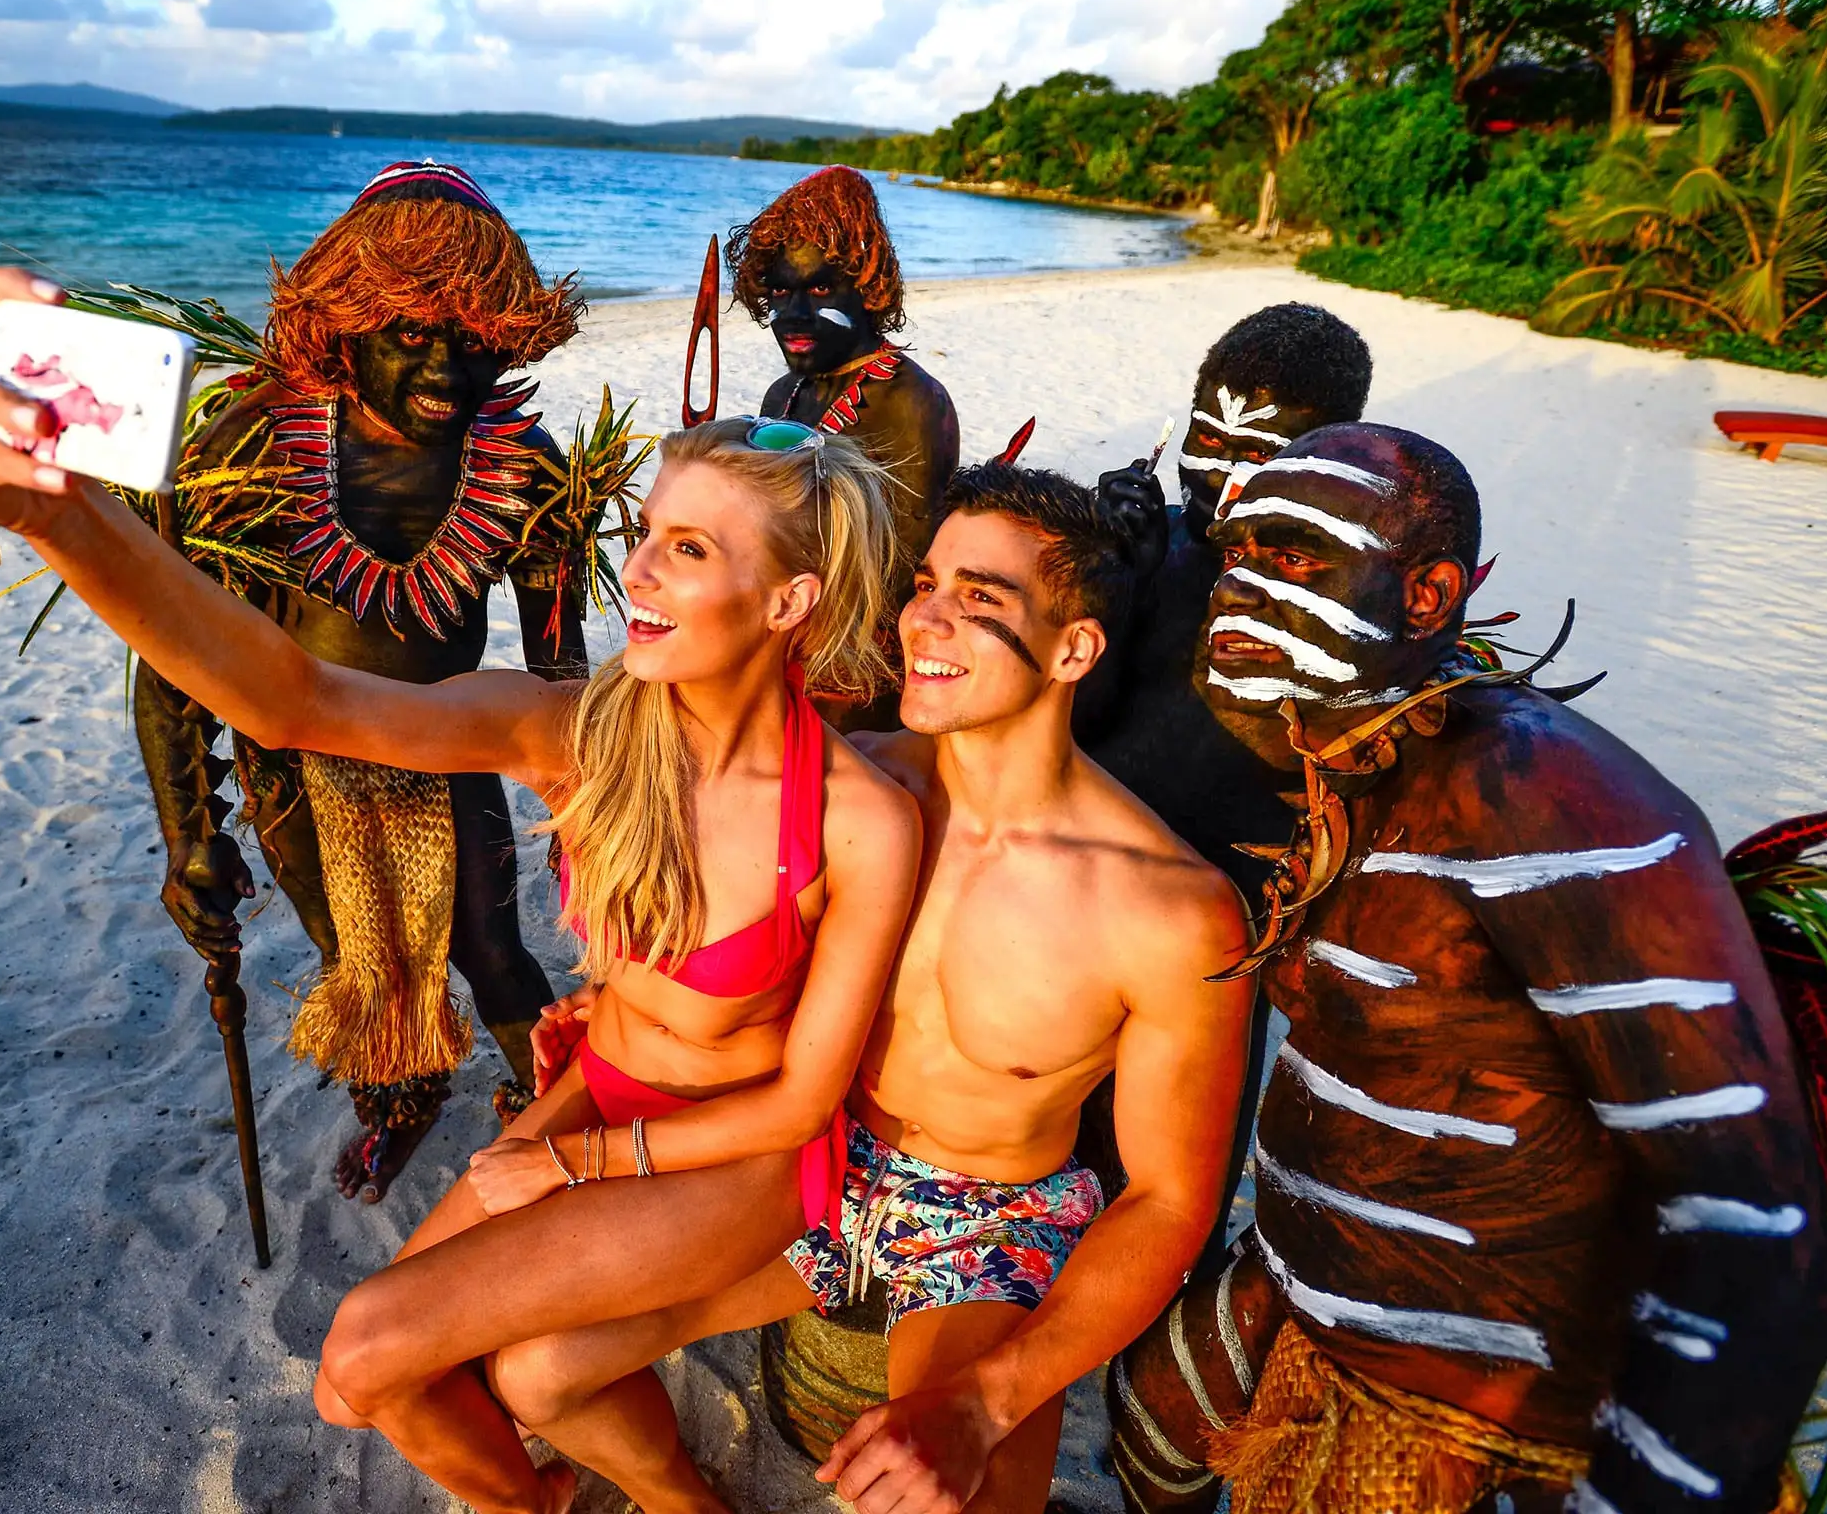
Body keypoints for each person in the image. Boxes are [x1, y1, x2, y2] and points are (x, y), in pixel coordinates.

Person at [0, 271, 925, 1514]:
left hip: (740, 1155)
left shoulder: (856, 821)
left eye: (691, 550)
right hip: (597, 1096)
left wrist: (575, 1160)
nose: (640, 573)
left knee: (371, 1352)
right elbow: (299, 698)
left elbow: (803, 1099)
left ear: (789, 602)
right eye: (647, 532)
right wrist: (57, 515)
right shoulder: (584, 734)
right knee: (375, 1386)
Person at [482, 460, 1255, 1514]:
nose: (926, 620)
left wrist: (987, 1402)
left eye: (980, 600)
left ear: (1073, 647)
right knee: (537, 1368)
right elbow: (732, 931)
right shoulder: (859, 785)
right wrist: (620, 1002)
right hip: (804, 1161)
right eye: (926, 584)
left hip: (988, 1221)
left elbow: (1170, 1202)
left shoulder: (1167, 909)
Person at [1106, 425, 1827, 1514]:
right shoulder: (1349, 752)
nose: (1240, 587)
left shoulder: (1550, 803)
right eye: (1237, 551)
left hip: (1471, 1395)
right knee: (1152, 1421)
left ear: (1427, 594)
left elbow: (1752, 1218)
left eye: (1293, 555)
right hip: (1300, 1296)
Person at [134, 159, 588, 1202]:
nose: (445, 365)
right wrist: (188, 836)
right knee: (357, 961)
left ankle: (560, 1133)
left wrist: (583, 816)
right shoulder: (251, 443)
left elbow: (561, 672)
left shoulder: (528, 466)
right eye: (412, 331)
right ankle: (403, 1099)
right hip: (296, 770)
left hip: (453, 745)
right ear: (348, 320)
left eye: (472, 335)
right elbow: (171, 663)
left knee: (496, 954)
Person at [1077, 302, 1373, 897]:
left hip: (1227, 891)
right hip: (1083, 852)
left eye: (1258, 456)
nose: (1218, 475)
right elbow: (1075, 716)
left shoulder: (1337, 594)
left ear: (1327, 455)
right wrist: (1109, 577)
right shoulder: (1149, 541)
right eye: (1206, 439)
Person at [730, 164, 961, 728]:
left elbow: (901, 566)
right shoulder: (784, 393)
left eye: (821, 289)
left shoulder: (910, 399)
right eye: (780, 293)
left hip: (855, 670)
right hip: (777, 636)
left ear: (869, 289)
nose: (794, 316)